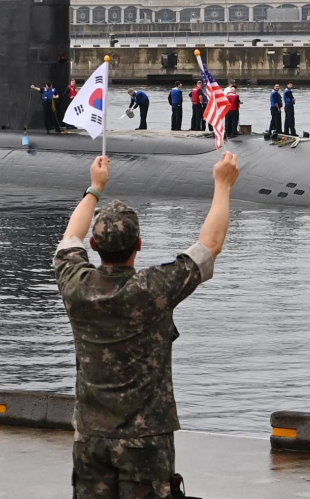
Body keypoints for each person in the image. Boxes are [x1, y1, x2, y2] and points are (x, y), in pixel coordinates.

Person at [54, 151, 236, 499]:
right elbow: (210, 245)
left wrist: (94, 188)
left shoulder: (76, 285)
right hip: (145, 441)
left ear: (95, 246)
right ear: (138, 244)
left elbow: (69, 240)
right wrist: (222, 184)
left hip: (91, 438)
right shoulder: (153, 288)